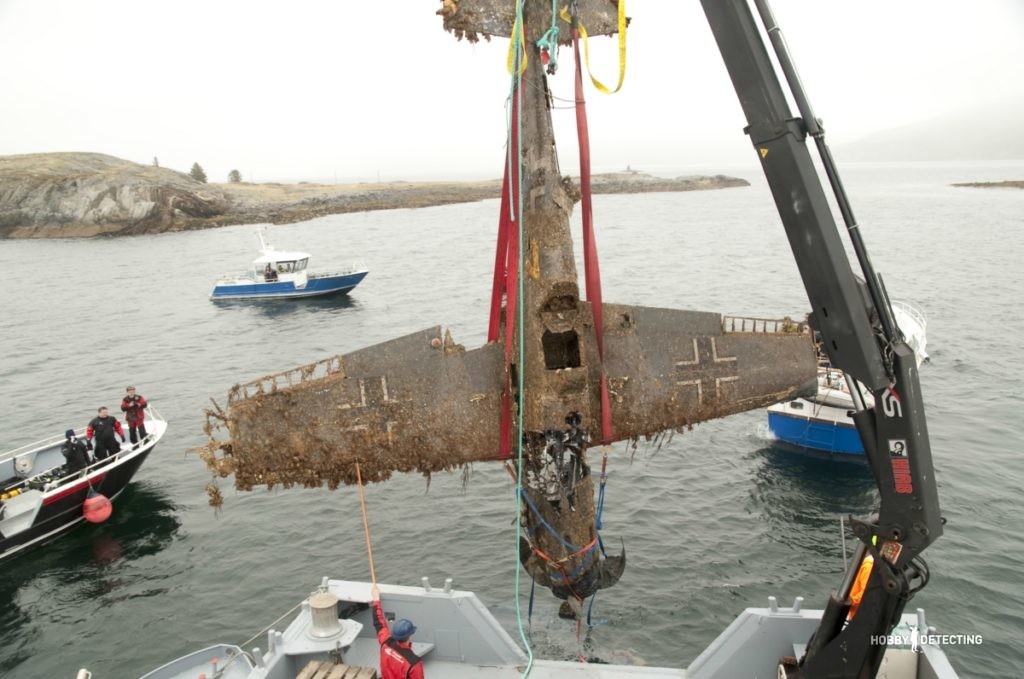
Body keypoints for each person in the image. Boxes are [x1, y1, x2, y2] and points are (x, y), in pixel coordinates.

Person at [370, 584, 424, 679]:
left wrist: (376, 599)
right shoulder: (414, 663)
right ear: (410, 636)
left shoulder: (385, 642)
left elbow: (378, 622)